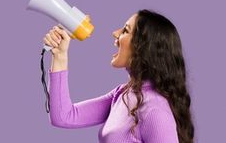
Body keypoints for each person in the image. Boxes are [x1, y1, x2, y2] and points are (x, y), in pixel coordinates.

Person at [43, 9, 195, 143]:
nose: (115, 33)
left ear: (144, 47)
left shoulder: (155, 110)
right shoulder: (122, 94)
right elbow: (63, 116)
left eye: (125, 31)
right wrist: (60, 56)